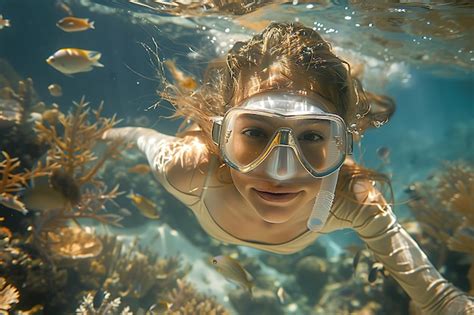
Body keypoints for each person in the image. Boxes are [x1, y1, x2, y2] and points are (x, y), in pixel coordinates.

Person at [104, 22, 473, 314]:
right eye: (253, 132)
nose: (280, 172)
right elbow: (142, 137)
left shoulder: (352, 199)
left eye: (312, 138)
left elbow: (440, 301)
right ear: (220, 136)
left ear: (343, 144)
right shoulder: (191, 169)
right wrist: (116, 135)